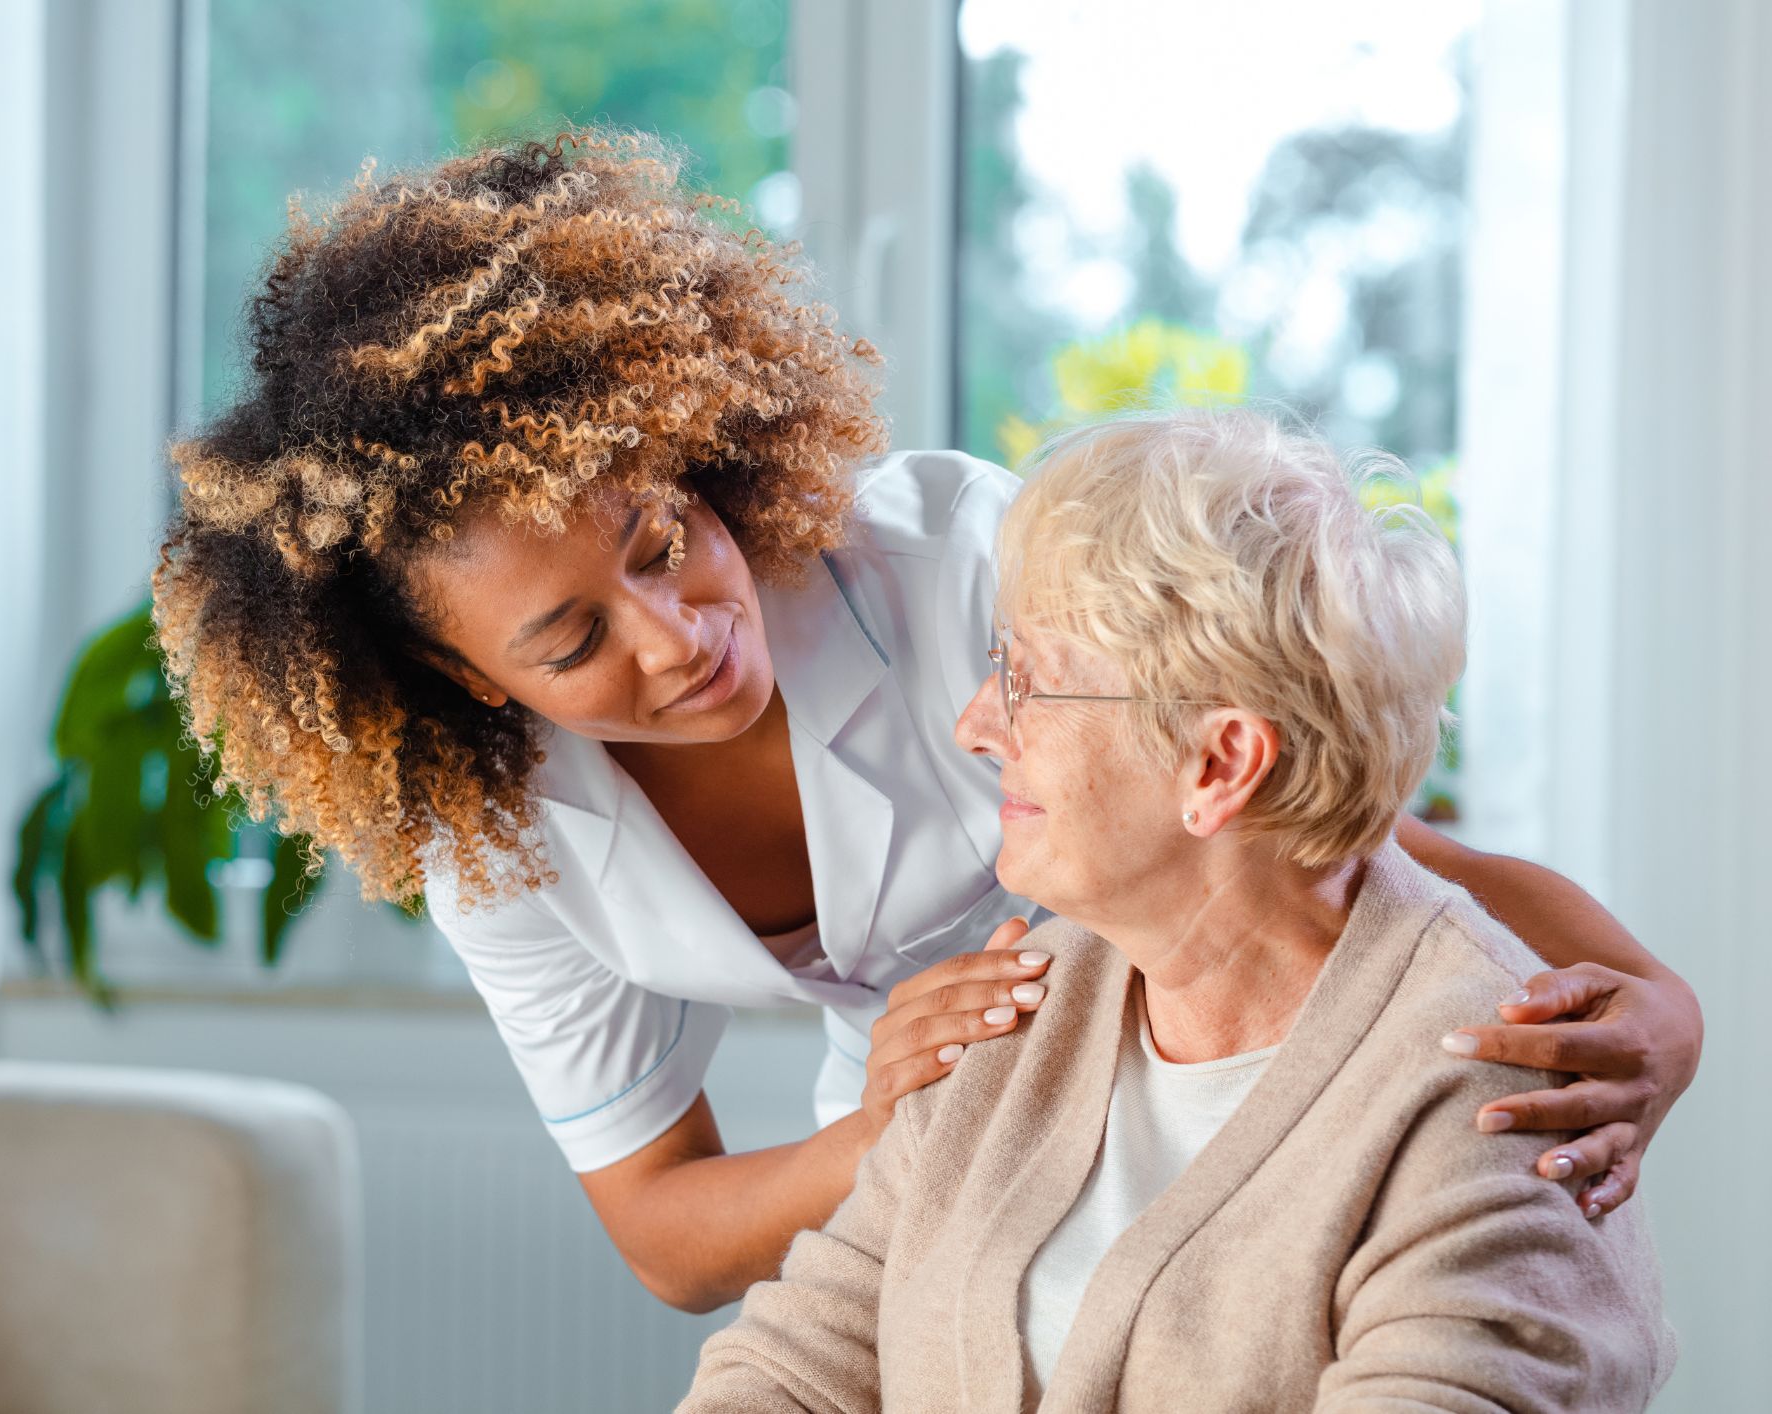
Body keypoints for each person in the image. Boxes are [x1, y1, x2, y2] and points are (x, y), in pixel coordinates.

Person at [152, 129, 1701, 1312]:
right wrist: (893, 1119)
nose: (682, 636)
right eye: (572, 641)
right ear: (475, 686)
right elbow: (670, 1232)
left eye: (662, 538)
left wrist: (1658, 1002)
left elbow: (1338, 830)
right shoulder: (500, 835)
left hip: (1226, 1068)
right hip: (925, 1151)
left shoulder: (957, 563)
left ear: (690, 450)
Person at [682, 410, 1674, 1411]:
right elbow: (796, 1360)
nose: (975, 722)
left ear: (1218, 764)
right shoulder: (1018, 1003)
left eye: (1027, 679)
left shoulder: (1492, 1105)